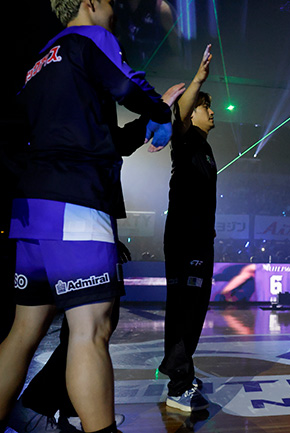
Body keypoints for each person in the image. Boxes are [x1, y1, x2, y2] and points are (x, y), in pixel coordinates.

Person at [0, 0, 175, 431]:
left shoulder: (40, 62)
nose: (115, 11)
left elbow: (100, 139)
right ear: (89, 2)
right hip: (76, 205)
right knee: (91, 329)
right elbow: (127, 85)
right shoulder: (91, 38)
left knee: (22, 333)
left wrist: (146, 125)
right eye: (110, 2)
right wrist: (160, 110)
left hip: (32, 210)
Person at [157, 44, 218, 413]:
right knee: (184, 309)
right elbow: (178, 113)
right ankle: (178, 384)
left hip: (200, 239)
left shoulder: (204, 147)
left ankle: (182, 373)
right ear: (192, 112)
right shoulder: (184, 139)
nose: (212, 112)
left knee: (195, 308)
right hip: (183, 238)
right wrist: (198, 80)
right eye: (205, 106)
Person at [218, 263, 290, 302]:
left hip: (260, 305)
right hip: (286, 307)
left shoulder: (253, 268)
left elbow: (227, 290)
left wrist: (227, 296)